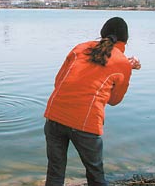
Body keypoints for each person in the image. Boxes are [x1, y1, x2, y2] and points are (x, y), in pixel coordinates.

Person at [43, 17, 141, 186]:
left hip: (54, 115)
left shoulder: (80, 48)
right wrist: (126, 67)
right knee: (95, 176)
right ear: (126, 39)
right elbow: (114, 100)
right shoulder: (122, 62)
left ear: (102, 33)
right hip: (85, 123)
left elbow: (59, 82)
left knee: (55, 171)